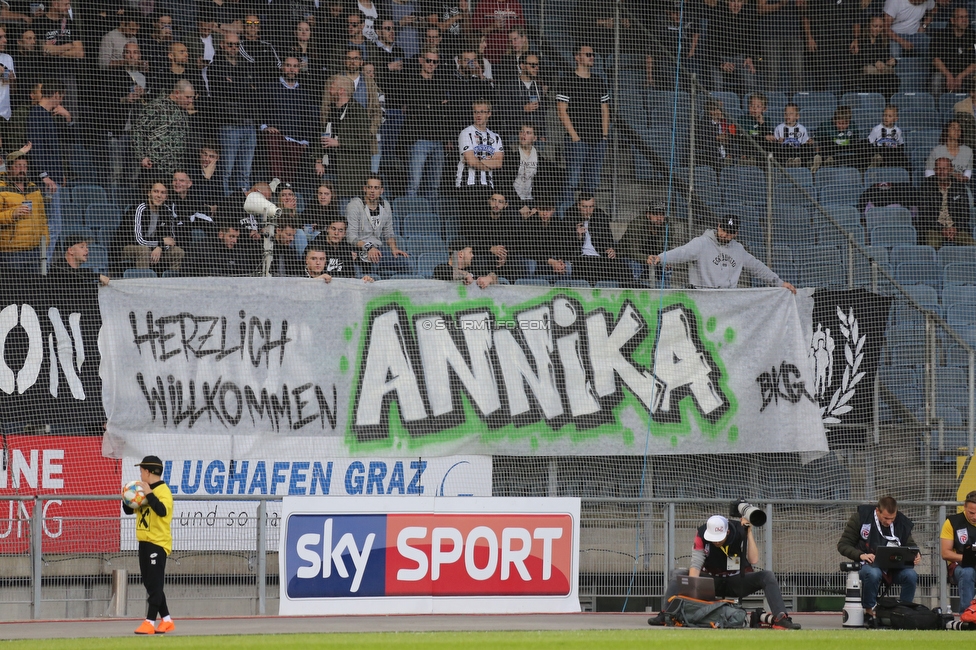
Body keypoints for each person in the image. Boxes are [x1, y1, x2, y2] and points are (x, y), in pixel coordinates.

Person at [649, 513, 801, 630]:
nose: (716, 541)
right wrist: (693, 592)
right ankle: (666, 614)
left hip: (736, 580)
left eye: (719, 538)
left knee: (767, 575)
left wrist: (749, 533)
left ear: (727, 532)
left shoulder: (739, 531)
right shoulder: (701, 534)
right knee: (678, 575)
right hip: (710, 581)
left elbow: (753, 560)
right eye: (713, 538)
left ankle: (781, 617)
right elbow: (695, 564)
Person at [649, 215, 798, 293]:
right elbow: (683, 252)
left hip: (727, 299)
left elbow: (756, 267)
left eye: (729, 233)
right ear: (718, 226)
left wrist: (779, 283)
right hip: (702, 297)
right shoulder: (702, 243)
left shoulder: (739, 249)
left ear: (736, 233)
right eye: (723, 230)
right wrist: (661, 257)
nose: (725, 235)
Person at [837, 495, 922, 627]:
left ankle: (904, 612)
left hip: (893, 568)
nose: (889, 522)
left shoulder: (901, 522)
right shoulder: (861, 518)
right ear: (877, 511)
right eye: (886, 518)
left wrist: (916, 554)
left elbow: (910, 544)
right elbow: (843, 545)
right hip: (867, 566)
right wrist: (861, 555)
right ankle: (869, 612)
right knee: (874, 573)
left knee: (911, 575)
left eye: (892, 519)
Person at [556, 43, 609, 216]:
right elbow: (561, 110)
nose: (592, 57)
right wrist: (575, 137)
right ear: (577, 57)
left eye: (592, 54)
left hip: (597, 141)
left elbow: (605, 109)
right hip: (577, 141)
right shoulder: (567, 80)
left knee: (592, 182)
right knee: (572, 180)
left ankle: (587, 218)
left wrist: (604, 136)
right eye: (588, 54)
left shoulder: (599, 80)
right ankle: (567, 218)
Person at [124, 455, 174, 635]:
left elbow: (162, 511)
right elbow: (129, 510)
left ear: (148, 472)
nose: (140, 474)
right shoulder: (143, 490)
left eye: (142, 470)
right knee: (151, 584)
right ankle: (167, 620)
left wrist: (149, 494)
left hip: (157, 543)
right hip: (144, 542)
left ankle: (149, 621)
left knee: (155, 585)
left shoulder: (163, 491)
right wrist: (128, 497)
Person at [402, 47, 450, 201]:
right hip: (419, 140)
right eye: (428, 60)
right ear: (421, 60)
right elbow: (414, 108)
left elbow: (443, 111)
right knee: (414, 184)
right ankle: (411, 219)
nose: (431, 64)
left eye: (435, 62)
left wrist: (430, 106)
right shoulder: (412, 81)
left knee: (433, 186)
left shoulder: (440, 83)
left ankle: (430, 221)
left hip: (438, 141)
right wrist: (435, 105)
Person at [315, 75, 371, 199]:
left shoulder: (358, 112)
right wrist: (319, 160)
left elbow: (365, 142)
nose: (329, 90)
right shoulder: (332, 111)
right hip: (329, 169)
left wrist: (339, 143)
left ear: (341, 91)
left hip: (348, 174)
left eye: (333, 87)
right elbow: (322, 137)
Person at [113, 181, 185, 273]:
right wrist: (161, 242)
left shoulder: (167, 211)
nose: (159, 195)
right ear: (149, 193)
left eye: (162, 193)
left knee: (178, 252)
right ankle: (144, 284)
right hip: (129, 247)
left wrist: (160, 247)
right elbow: (138, 240)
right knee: (144, 251)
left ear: (166, 197)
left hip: (154, 247)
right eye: (156, 191)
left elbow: (171, 240)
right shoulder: (139, 209)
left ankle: (172, 284)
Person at [345, 174, 410, 276]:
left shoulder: (385, 205)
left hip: (378, 249)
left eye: (376, 188)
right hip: (359, 250)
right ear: (365, 189)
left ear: (381, 190)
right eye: (370, 187)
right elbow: (351, 237)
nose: (372, 191)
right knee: (372, 265)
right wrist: (369, 247)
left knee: (406, 264)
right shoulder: (355, 206)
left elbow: (388, 233)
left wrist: (394, 249)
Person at [130, 80, 195, 180]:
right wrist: (141, 156)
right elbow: (138, 130)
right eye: (188, 97)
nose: (191, 101)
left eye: (192, 97)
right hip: (154, 167)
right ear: (177, 93)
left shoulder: (183, 112)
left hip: (175, 169)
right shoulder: (157, 107)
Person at [456, 99, 504, 218]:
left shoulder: (495, 137)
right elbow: (471, 161)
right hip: (467, 186)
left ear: (489, 113)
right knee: (471, 225)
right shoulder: (466, 133)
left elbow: (499, 163)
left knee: (484, 224)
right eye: (476, 112)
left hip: (487, 186)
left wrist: (479, 160)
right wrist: (488, 162)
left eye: (482, 112)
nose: (478, 115)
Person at [0, 150, 47, 270]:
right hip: (11, 252)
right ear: (9, 168)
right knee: (13, 287)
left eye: (25, 166)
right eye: (18, 166)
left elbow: (42, 218)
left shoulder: (34, 189)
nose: (22, 169)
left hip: (34, 250)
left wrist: (45, 241)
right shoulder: (1, 188)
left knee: (33, 287)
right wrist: (12, 214)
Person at [916, 157, 976, 248]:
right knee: (932, 245)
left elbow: (965, 213)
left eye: (944, 169)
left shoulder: (959, 186)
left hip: (956, 228)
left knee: (972, 246)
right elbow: (924, 215)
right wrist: (941, 229)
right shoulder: (926, 186)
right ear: (935, 170)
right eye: (939, 169)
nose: (941, 172)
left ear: (951, 170)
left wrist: (955, 228)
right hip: (934, 228)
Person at [706, 0, 760, 96]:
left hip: (741, 59)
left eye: (739, 1)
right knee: (717, 85)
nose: (736, 5)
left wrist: (750, 58)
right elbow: (710, 44)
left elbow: (754, 40)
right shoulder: (717, 16)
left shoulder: (748, 16)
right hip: (720, 59)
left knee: (751, 83)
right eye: (733, 1)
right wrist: (721, 63)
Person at [940, 490, 976, 612]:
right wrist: (966, 558)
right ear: (964, 507)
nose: (974, 516)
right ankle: (967, 617)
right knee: (968, 572)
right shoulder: (952, 522)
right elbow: (945, 553)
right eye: (971, 513)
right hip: (959, 566)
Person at [309, 220, 374, 283]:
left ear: (344, 233)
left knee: (372, 279)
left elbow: (350, 276)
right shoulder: (315, 247)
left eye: (340, 230)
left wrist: (361, 281)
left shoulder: (346, 248)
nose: (336, 233)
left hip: (341, 288)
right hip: (321, 285)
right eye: (333, 229)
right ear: (327, 229)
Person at [930, 7, 976, 94]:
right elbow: (936, 60)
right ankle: (936, 106)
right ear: (953, 20)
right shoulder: (939, 36)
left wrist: (960, 76)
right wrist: (949, 75)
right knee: (937, 78)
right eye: (961, 17)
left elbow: (975, 63)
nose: (964, 20)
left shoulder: (974, 36)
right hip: (945, 74)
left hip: (966, 74)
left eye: (966, 17)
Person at [856, 15, 899, 99]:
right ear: (869, 25)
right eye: (875, 26)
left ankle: (887, 103)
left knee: (894, 79)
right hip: (865, 74)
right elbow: (860, 58)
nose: (877, 29)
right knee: (870, 80)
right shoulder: (861, 39)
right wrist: (875, 62)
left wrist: (893, 61)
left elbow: (886, 56)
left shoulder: (883, 39)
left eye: (880, 27)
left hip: (880, 73)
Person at [433, 237, 499, 289]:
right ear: (461, 254)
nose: (472, 255)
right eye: (470, 252)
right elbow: (444, 271)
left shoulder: (473, 269)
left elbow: (493, 275)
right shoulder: (442, 269)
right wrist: (465, 275)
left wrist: (488, 279)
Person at [773, 103, 819, 170]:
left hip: (798, 150)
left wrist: (809, 141)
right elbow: (776, 142)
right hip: (785, 151)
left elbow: (804, 142)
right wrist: (779, 141)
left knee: (806, 147)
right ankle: (789, 162)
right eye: (786, 114)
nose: (788, 115)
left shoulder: (802, 128)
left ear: (797, 116)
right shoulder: (779, 128)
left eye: (791, 114)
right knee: (782, 147)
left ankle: (804, 162)